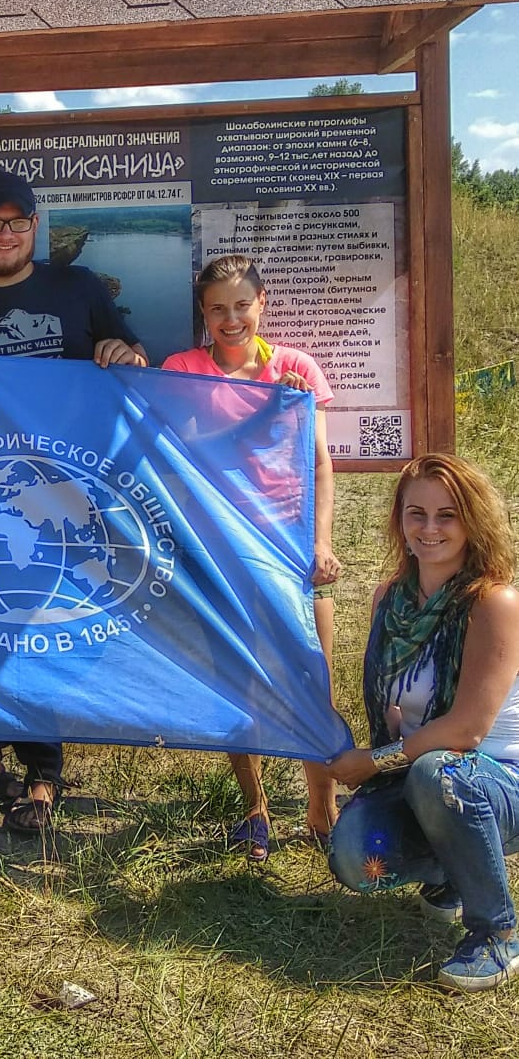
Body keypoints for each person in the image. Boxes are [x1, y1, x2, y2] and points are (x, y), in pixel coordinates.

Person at [0, 166, 148, 834]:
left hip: (72, 492)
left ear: (34, 226)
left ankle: (34, 771)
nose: (5, 233)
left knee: (49, 631)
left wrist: (123, 350)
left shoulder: (78, 288)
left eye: (17, 221)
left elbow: (136, 363)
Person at [163, 254, 340, 860]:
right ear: (203, 313)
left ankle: (322, 810)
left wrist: (320, 542)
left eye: (242, 305)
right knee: (237, 681)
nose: (231, 319)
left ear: (262, 304)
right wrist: (268, 408)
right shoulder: (182, 369)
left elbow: (320, 464)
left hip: (292, 546)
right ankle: (255, 810)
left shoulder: (296, 367)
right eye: (218, 308)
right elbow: (186, 453)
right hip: (221, 546)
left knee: (313, 679)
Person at [327, 454, 519, 992]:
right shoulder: (389, 598)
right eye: (417, 513)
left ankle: (497, 933)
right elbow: (392, 705)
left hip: (498, 782)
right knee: (355, 855)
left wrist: (372, 763)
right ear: (400, 520)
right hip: (420, 774)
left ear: (472, 521)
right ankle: (453, 872)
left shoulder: (495, 602)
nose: (430, 528)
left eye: (447, 515)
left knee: (440, 773)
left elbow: (467, 731)